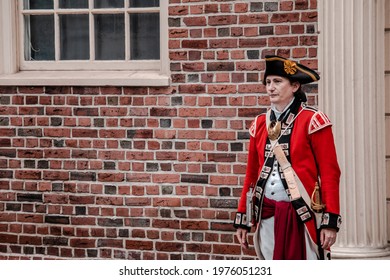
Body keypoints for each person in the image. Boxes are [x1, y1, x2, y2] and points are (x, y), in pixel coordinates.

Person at [233, 55, 341, 260]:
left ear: (294, 86)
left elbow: (330, 173)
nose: (270, 87)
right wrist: (243, 218)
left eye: (277, 81)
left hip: (303, 214)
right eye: (267, 82)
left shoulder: (313, 120)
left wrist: (330, 221)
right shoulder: (259, 124)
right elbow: (251, 175)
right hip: (266, 215)